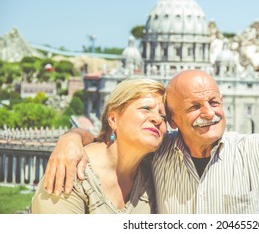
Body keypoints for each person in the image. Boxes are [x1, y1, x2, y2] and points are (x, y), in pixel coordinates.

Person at [43, 63, 259, 214]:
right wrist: (70, 138)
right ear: (173, 120)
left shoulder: (257, 149)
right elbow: (109, 138)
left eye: (214, 102)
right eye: (194, 106)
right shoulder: (155, 150)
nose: (209, 113)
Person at [32, 78, 167, 213]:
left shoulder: (155, 173)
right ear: (113, 119)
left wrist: (74, 135)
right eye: (146, 108)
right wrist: (71, 137)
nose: (158, 119)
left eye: (164, 116)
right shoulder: (70, 171)